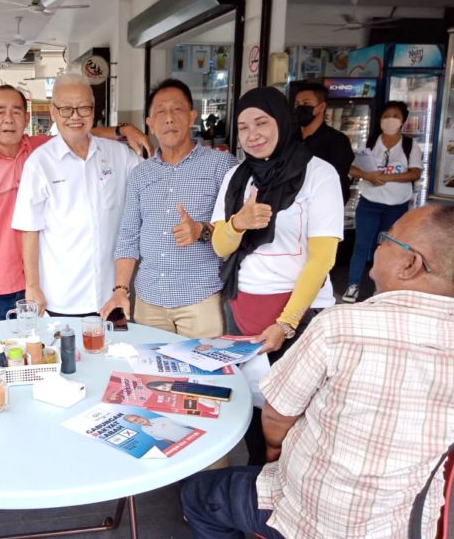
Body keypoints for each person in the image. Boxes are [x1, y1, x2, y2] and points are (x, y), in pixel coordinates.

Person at [181, 204, 454, 539]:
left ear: (409, 264)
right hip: (402, 526)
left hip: (313, 517)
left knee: (200, 495)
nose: (378, 245)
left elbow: (277, 415)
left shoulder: (341, 326)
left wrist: (274, 453)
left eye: (387, 238)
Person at [210, 86, 343, 465]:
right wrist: (238, 223)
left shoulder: (319, 174)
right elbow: (220, 246)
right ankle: (257, 482)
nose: (252, 134)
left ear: (282, 122)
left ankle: (292, 488)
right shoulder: (237, 177)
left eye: (261, 123)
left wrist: (286, 323)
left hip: (298, 314)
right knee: (253, 405)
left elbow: (322, 259)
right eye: (243, 127)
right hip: (243, 309)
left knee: (294, 414)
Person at [0, 84, 151, 321]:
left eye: (16, 111)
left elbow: (78, 129)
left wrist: (122, 130)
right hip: (0, 284)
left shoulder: (36, 148)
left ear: (26, 117)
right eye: (0, 112)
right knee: (1, 344)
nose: (9, 119)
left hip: (41, 283)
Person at [101, 79, 236, 336]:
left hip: (200, 299)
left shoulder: (221, 165)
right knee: (149, 363)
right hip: (149, 301)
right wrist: (120, 291)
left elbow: (236, 228)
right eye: (160, 112)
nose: (169, 118)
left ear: (192, 116)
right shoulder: (140, 174)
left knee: (202, 364)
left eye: (177, 109)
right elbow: (128, 237)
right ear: (150, 124)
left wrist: (201, 230)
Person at [12, 73, 141, 316]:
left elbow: (151, 181)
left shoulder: (119, 155)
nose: (75, 116)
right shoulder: (40, 163)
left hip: (112, 295)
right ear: (53, 112)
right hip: (61, 298)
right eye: (66, 109)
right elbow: (29, 228)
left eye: (83, 108)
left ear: (93, 110)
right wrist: (32, 286)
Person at [342, 100, 422, 303]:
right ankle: (353, 285)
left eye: (395, 116)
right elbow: (351, 167)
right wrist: (367, 176)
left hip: (397, 207)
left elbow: (415, 173)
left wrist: (387, 177)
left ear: (403, 120)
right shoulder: (371, 143)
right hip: (369, 203)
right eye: (386, 116)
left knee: (391, 248)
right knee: (361, 245)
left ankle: (382, 289)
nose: (390, 120)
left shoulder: (409, 145)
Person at [293, 82, 354, 204]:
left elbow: (337, 180)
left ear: (321, 107)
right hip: (291, 205)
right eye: (297, 104)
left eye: (306, 104)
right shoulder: (289, 138)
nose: (300, 108)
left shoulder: (337, 141)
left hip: (321, 204)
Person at [123, 413, 194, 444]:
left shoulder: (162, 419)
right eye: (134, 421)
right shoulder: (144, 429)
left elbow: (187, 425)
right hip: (184, 444)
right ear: (133, 423)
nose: (138, 421)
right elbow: (163, 439)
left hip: (193, 436)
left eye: (137, 418)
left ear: (140, 416)